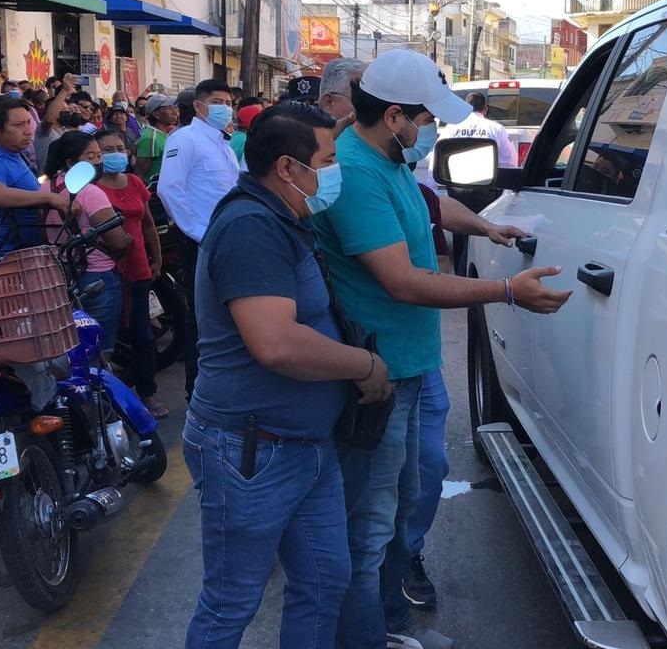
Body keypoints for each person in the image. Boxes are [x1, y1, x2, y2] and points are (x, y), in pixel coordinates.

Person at [311, 50, 572, 649]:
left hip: (415, 363)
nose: (431, 131)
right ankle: (367, 636)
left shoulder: (387, 160)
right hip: (382, 372)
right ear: (396, 116)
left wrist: (486, 226)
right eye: (426, 119)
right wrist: (506, 290)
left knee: (419, 482)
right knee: (371, 523)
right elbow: (401, 281)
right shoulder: (354, 172)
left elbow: (430, 203)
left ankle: (390, 621)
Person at [182, 101, 391, 649]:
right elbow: (274, 343)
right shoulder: (251, 227)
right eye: (326, 159)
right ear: (287, 168)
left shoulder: (283, 215)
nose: (333, 169)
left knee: (324, 583)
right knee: (231, 602)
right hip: (251, 450)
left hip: (303, 446)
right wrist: (365, 365)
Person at [157, 78, 239, 401]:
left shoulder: (223, 143)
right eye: (218, 101)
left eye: (228, 102)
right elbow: (169, 189)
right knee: (201, 319)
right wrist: (199, 233)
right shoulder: (186, 139)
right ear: (200, 106)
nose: (225, 108)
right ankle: (197, 390)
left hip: (227, 242)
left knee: (225, 317)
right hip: (201, 243)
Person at [95, 128, 165, 416]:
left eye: (119, 148)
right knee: (105, 341)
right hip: (107, 273)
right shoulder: (92, 188)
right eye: (107, 150)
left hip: (138, 269)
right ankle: (108, 404)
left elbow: (148, 223)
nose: (115, 154)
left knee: (143, 336)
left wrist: (156, 258)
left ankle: (147, 394)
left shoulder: (135, 182)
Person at [42, 131, 132, 350]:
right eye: (90, 158)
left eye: (99, 156)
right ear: (71, 162)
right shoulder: (90, 192)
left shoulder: (45, 188)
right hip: (97, 277)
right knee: (99, 352)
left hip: (59, 274)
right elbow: (119, 242)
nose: (98, 162)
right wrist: (129, 238)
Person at [0, 95, 70, 261]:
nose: (28, 130)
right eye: (18, 125)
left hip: (27, 257)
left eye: (28, 122)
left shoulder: (15, 154)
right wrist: (48, 197)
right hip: (6, 261)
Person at [436, 92, 518, 170]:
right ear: (485, 109)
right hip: (487, 182)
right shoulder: (496, 129)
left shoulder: (450, 128)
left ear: (465, 107)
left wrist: (433, 184)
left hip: (453, 181)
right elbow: (510, 161)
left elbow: (436, 159)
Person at [135, 94, 177, 180]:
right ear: (156, 114)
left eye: (173, 107)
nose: (174, 112)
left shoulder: (166, 134)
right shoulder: (150, 138)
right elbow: (139, 175)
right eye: (168, 108)